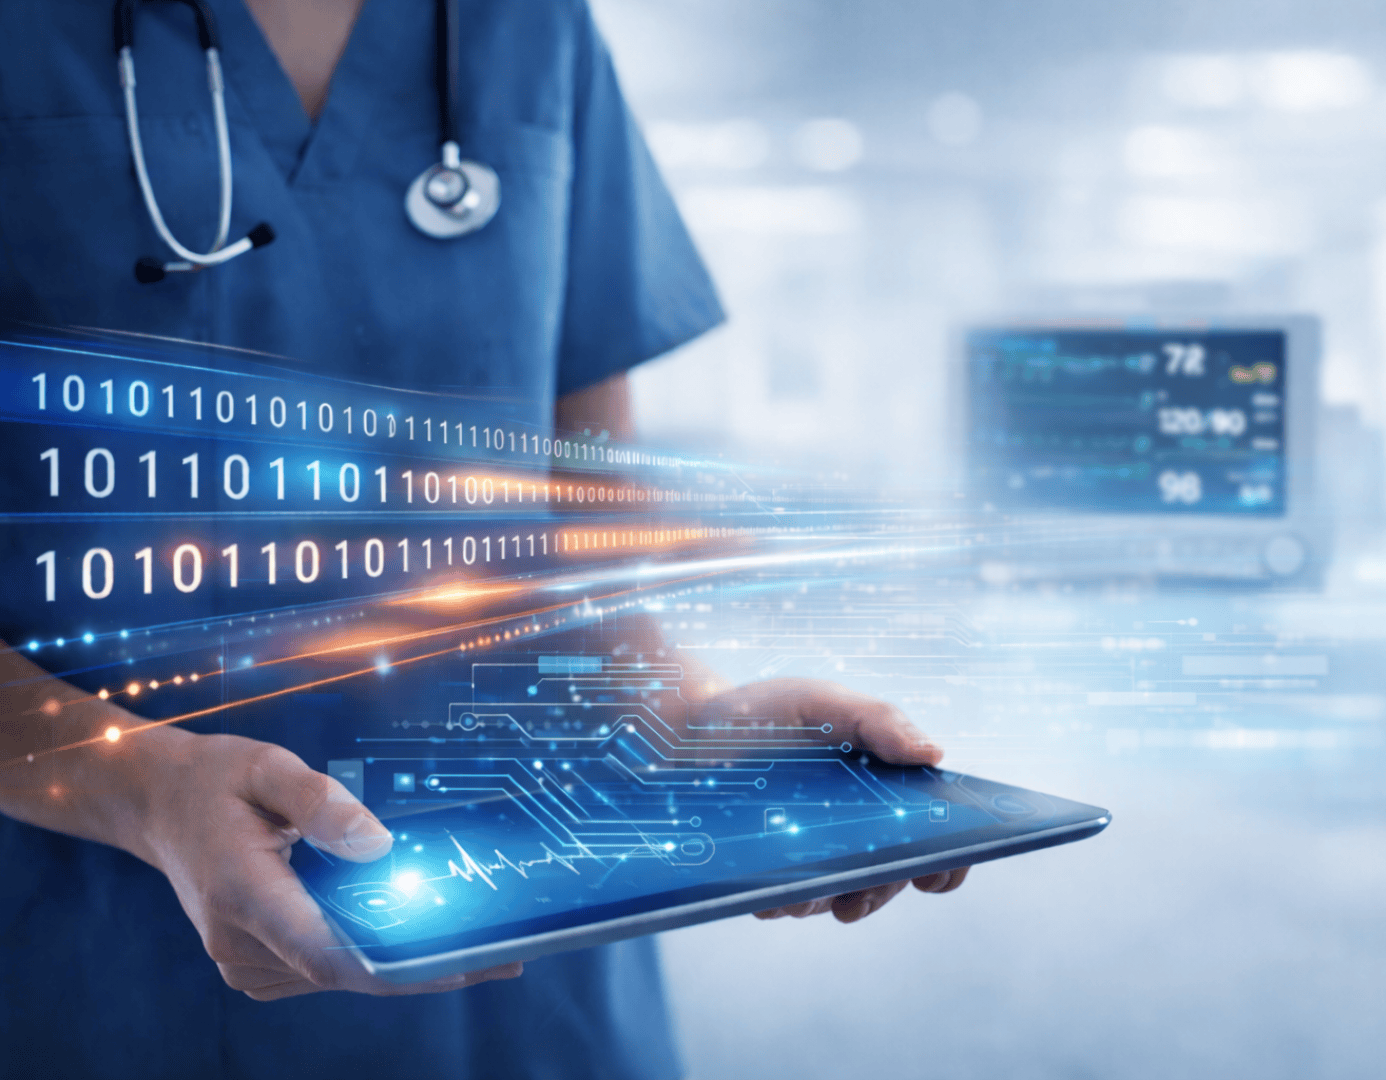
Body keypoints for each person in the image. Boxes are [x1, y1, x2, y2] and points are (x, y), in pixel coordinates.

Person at [0, 1, 966, 1077]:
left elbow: (584, 541)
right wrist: (138, 787)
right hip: (105, 956)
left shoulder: (530, 27)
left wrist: (682, 715)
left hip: (539, 958)